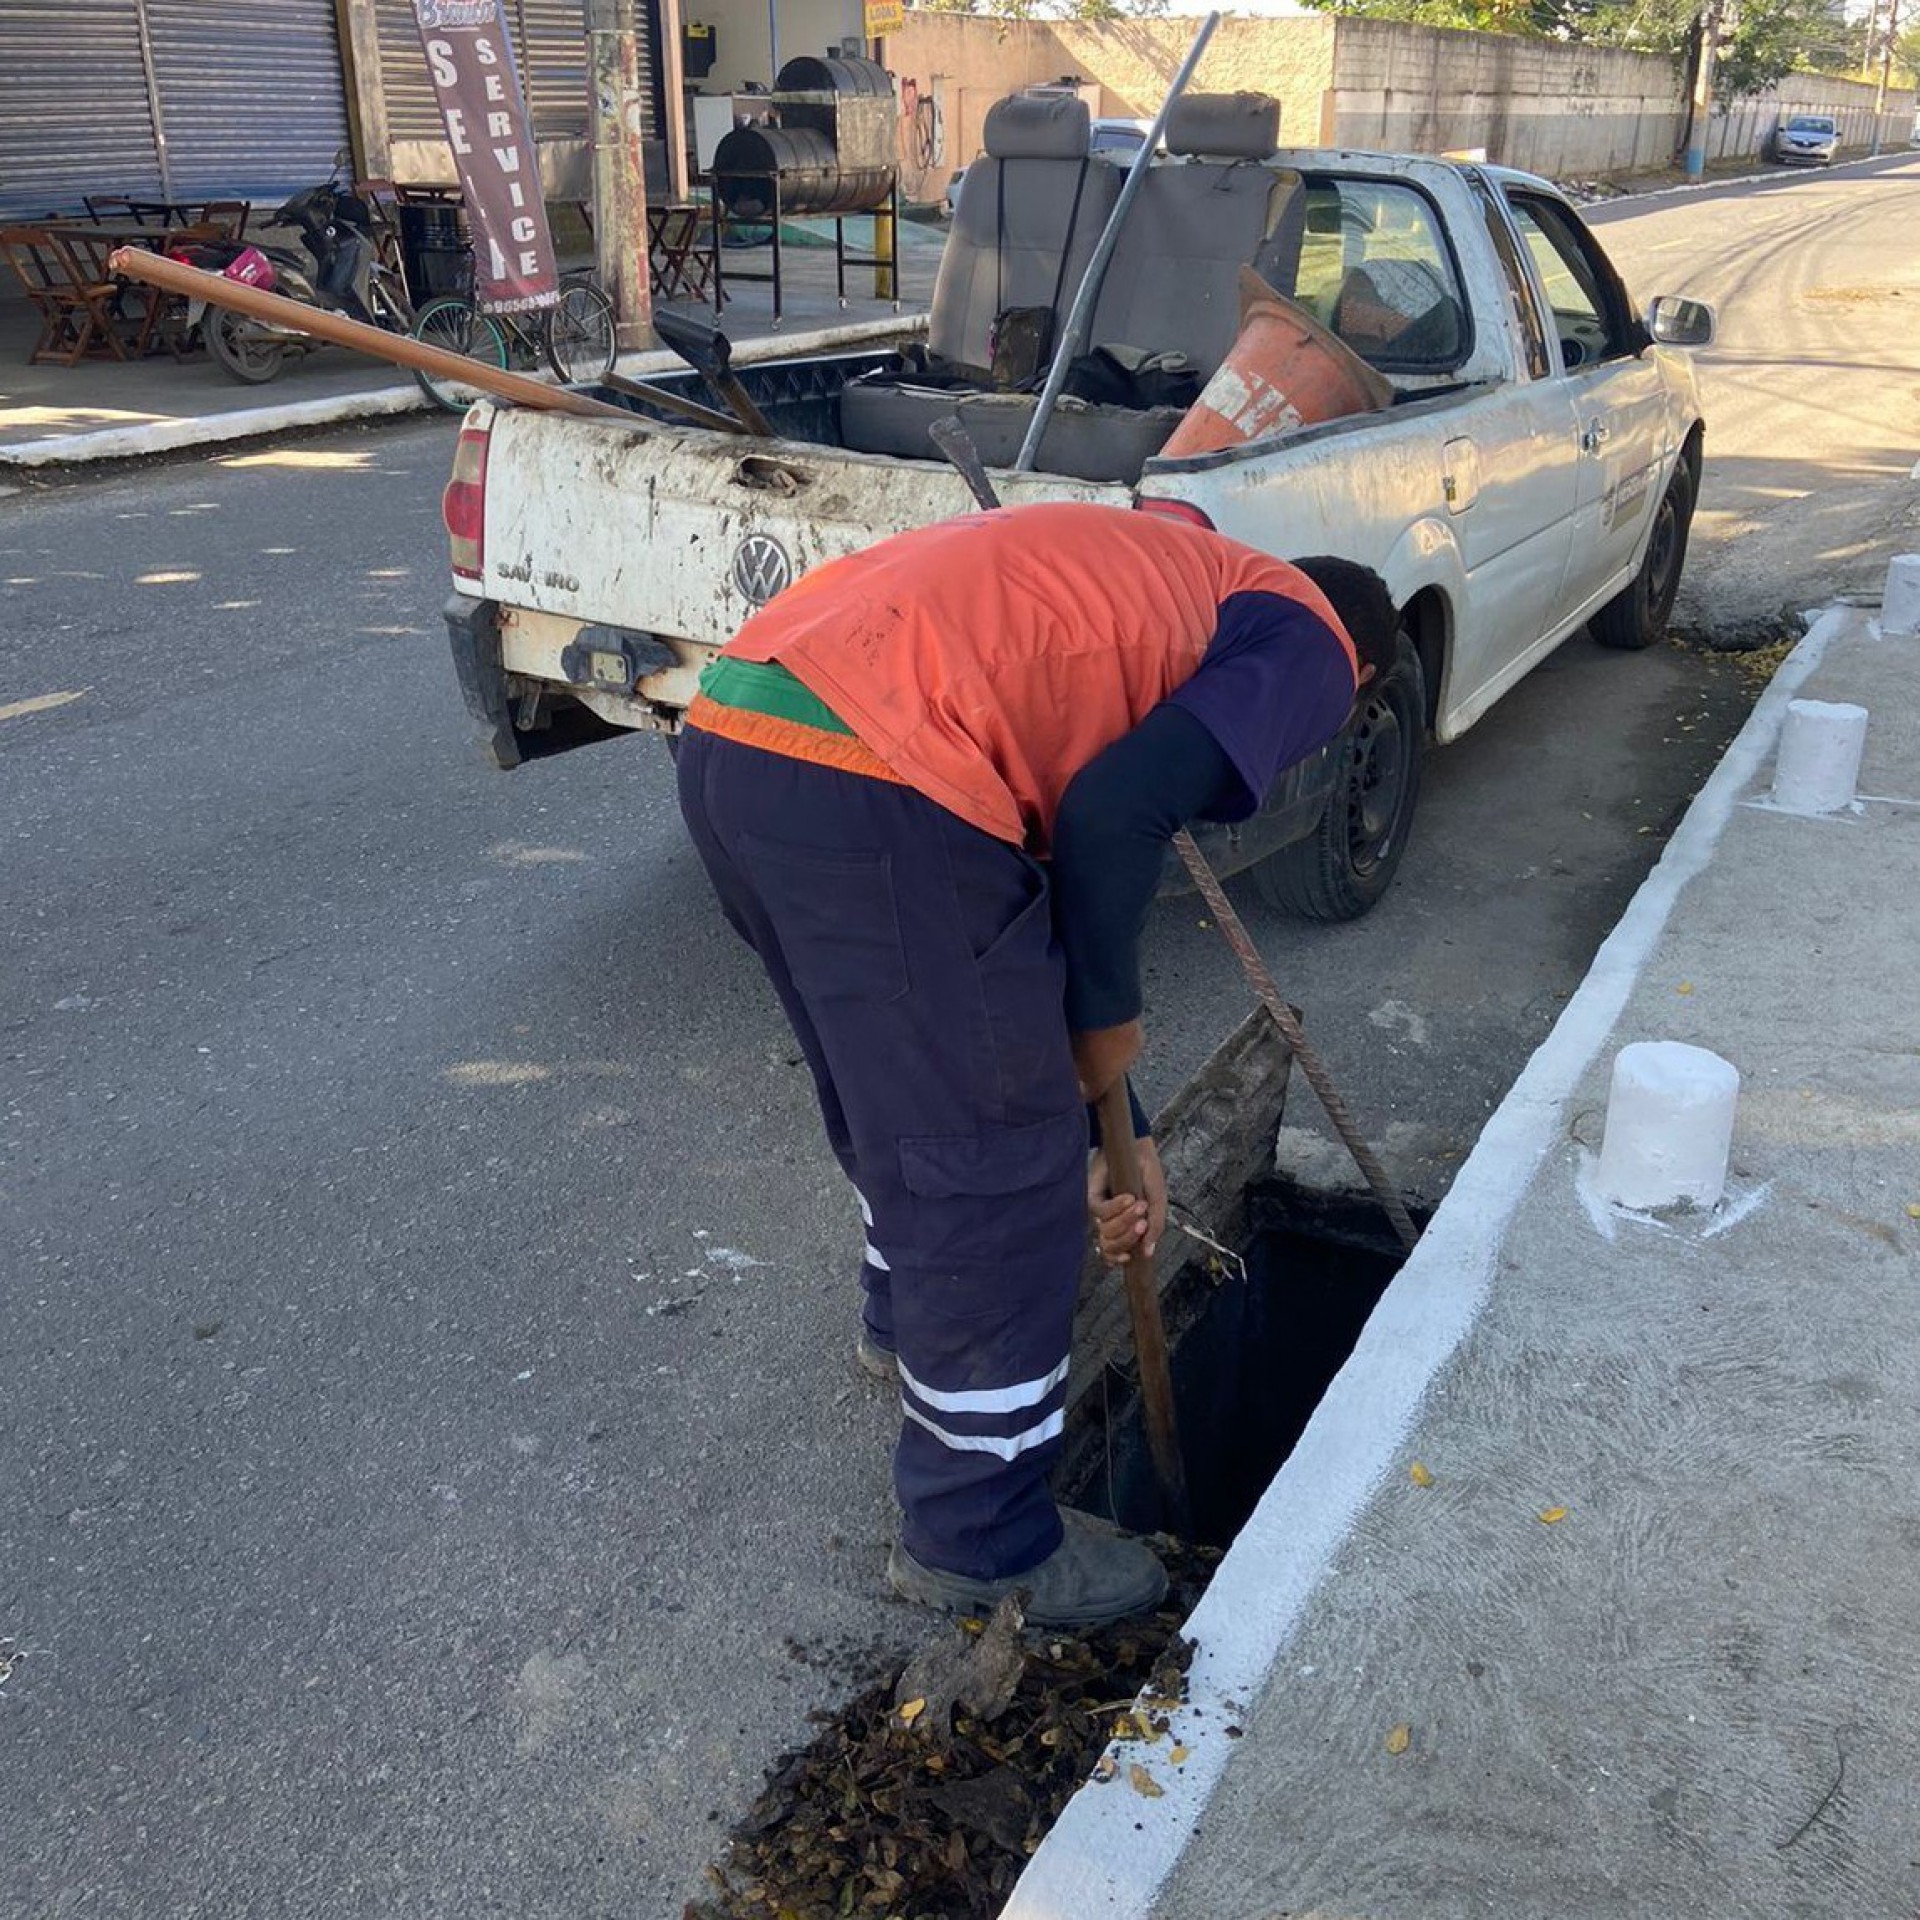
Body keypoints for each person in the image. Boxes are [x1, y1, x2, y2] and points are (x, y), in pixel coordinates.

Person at [676, 501, 1398, 1628]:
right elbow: (1112, 817)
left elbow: (1052, 887)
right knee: (998, 1167)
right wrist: (1106, 1035)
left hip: (742, 729)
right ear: (1354, 678)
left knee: (908, 1086)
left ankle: (911, 1329)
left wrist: (1126, 1124)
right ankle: (984, 1537)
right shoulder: (1309, 642)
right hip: (880, 767)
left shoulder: (1184, 580)